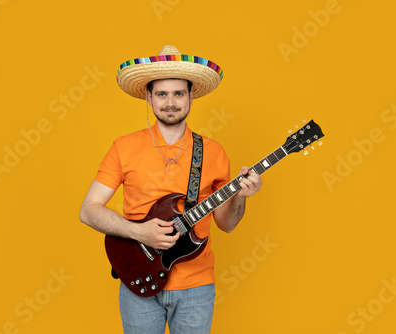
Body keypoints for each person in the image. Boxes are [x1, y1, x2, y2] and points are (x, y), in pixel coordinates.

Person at [80, 45, 262, 334]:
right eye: (162, 94)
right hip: (137, 278)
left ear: (191, 96)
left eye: (178, 93)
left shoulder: (213, 152)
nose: (170, 102)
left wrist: (240, 196)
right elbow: (89, 211)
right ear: (149, 96)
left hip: (197, 287)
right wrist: (139, 232)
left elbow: (226, 224)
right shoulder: (124, 147)